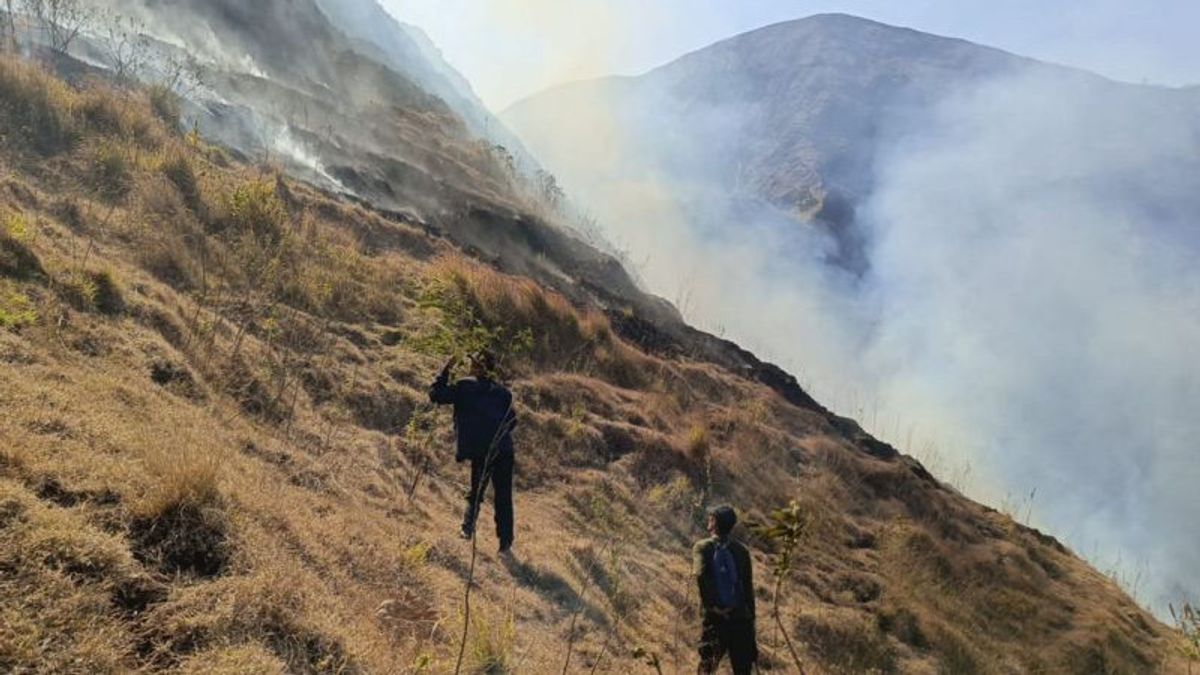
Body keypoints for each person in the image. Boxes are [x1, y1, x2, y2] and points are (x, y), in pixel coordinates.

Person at [429, 350, 518, 553]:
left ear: (477, 367)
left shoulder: (465, 386)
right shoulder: (503, 393)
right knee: (503, 496)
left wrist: (446, 369)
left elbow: (436, 395)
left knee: (476, 490)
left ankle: (467, 530)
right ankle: (505, 542)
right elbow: (513, 420)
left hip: (483, 450)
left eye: (473, 363)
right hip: (503, 449)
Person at [694, 504, 758, 675]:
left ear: (714, 522)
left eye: (711, 517)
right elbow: (748, 590)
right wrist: (751, 629)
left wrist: (712, 606)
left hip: (716, 620)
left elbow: (700, 576)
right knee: (743, 671)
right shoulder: (742, 551)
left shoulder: (702, 547)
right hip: (741, 621)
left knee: (707, 668)